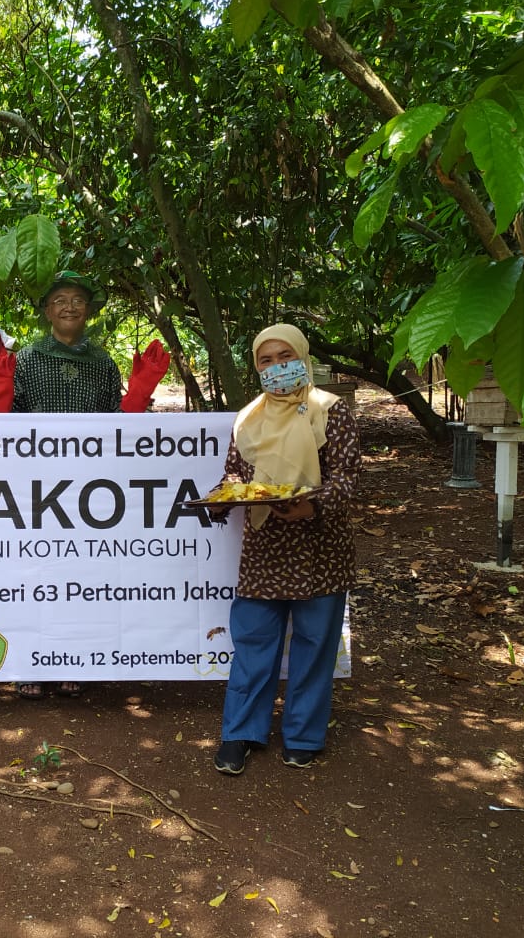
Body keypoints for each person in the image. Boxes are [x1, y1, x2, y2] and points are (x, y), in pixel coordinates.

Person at [0, 270, 171, 698]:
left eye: (78, 299)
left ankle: (75, 659)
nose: (69, 306)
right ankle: (29, 661)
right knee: (31, 573)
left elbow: (115, 427)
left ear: (89, 310)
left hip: (88, 485)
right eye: (60, 299)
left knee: (81, 573)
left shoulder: (102, 362)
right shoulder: (26, 358)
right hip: (35, 482)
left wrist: (139, 392)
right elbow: (6, 426)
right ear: (47, 310)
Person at [210, 323, 361, 775]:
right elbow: (236, 474)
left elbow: (347, 480)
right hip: (265, 550)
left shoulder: (331, 411)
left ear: (303, 357)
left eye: (285, 357)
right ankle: (240, 734)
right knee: (253, 643)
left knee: (315, 647)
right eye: (266, 360)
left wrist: (312, 508)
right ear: (256, 367)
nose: (277, 367)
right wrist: (222, 498)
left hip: (321, 549)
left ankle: (304, 736)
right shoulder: (248, 418)